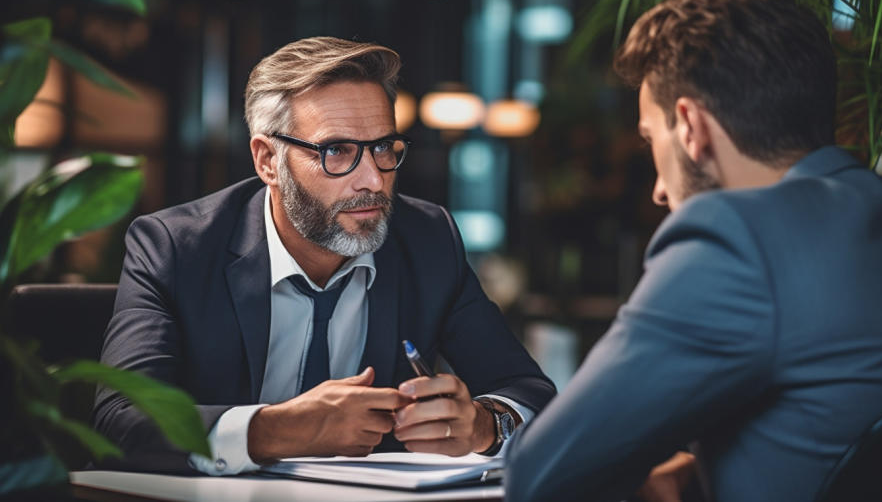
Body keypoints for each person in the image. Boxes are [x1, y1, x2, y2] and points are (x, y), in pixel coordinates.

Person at [504, 0, 882, 502]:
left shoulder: (736, 236)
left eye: (653, 140)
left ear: (692, 128)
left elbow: (543, 476)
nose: (658, 188)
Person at [94, 37, 555, 475]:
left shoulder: (428, 239)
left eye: (382, 149)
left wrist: (482, 424)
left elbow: (530, 394)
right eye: (337, 151)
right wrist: (280, 429)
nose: (373, 180)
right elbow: (121, 421)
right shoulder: (176, 246)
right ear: (267, 161)